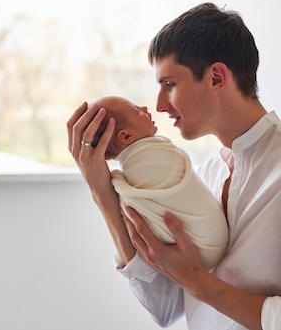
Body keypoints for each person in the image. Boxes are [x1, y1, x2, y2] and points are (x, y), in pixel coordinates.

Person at [67, 3, 281, 330]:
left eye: (169, 85)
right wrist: (103, 193)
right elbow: (165, 308)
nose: (160, 105)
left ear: (217, 77)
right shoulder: (202, 176)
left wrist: (199, 282)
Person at [89, 95, 229, 270]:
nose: (146, 109)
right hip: (206, 243)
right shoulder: (146, 165)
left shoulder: (138, 167)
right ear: (126, 136)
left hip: (203, 250)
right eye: (136, 111)